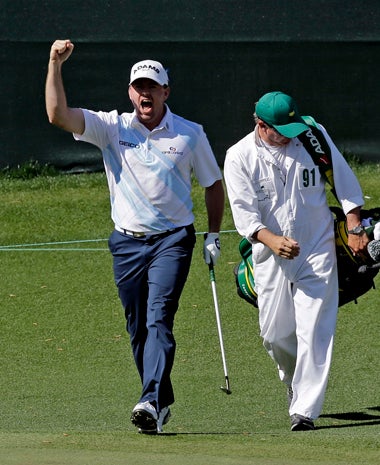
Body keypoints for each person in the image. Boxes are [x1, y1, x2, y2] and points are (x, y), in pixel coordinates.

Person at [45, 39, 224, 434]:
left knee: (160, 318)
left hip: (172, 241)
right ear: (130, 92)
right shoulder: (112, 127)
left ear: (166, 92)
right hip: (126, 242)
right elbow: (58, 115)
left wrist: (213, 235)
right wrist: (54, 64)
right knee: (138, 326)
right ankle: (159, 401)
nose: (145, 94)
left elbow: (213, 183)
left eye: (152, 87)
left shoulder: (189, 134)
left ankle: (150, 399)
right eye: (138, 87)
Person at [224, 91, 368, 431]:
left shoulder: (312, 135)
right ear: (261, 125)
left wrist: (355, 226)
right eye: (281, 129)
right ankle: (293, 379)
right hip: (269, 253)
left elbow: (345, 183)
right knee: (275, 334)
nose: (290, 134)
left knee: (316, 329)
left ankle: (304, 410)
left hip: (318, 247)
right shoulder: (238, 156)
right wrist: (272, 241)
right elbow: (244, 217)